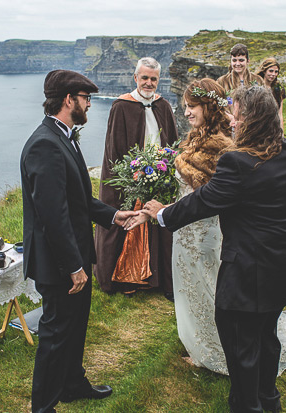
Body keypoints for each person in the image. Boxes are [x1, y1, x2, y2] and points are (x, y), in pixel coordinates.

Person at [138, 85, 286, 413]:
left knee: (242, 348)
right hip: (285, 268)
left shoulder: (238, 163)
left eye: (236, 114)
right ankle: (269, 399)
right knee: (267, 337)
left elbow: (204, 201)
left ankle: (248, 406)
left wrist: (161, 213)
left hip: (247, 275)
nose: (232, 120)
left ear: (251, 121)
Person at [20, 70, 137, 413]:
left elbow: (77, 200)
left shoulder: (63, 136)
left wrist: (114, 216)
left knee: (75, 326)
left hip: (72, 255)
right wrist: (73, 266)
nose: (88, 103)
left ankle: (71, 384)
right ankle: (43, 406)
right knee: (55, 334)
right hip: (58, 262)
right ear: (69, 100)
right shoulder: (45, 143)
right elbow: (52, 215)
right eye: (85, 97)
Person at [95, 57, 178, 297]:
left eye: (153, 79)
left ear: (158, 79)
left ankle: (156, 277)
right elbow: (114, 148)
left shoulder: (163, 106)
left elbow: (171, 143)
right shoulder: (121, 106)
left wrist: (166, 170)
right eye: (144, 78)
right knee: (129, 221)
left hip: (159, 174)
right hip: (131, 177)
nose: (149, 83)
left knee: (158, 220)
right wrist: (128, 177)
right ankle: (126, 277)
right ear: (135, 78)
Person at [170, 78, 233, 372]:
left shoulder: (220, 145)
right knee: (189, 284)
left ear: (208, 106)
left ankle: (213, 348)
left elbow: (212, 193)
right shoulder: (196, 136)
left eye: (191, 106)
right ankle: (198, 339)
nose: (186, 113)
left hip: (204, 228)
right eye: (185, 106)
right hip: (185, 224)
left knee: (206, 284)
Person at [257, 57, 286, 129]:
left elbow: (280, 113)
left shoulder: (279, 89)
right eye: (271, 71)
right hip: (259, 125)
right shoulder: (256, 87)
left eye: (276, 72)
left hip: (274, 126)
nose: (273, 74)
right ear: (264, 71)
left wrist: (281, 130)